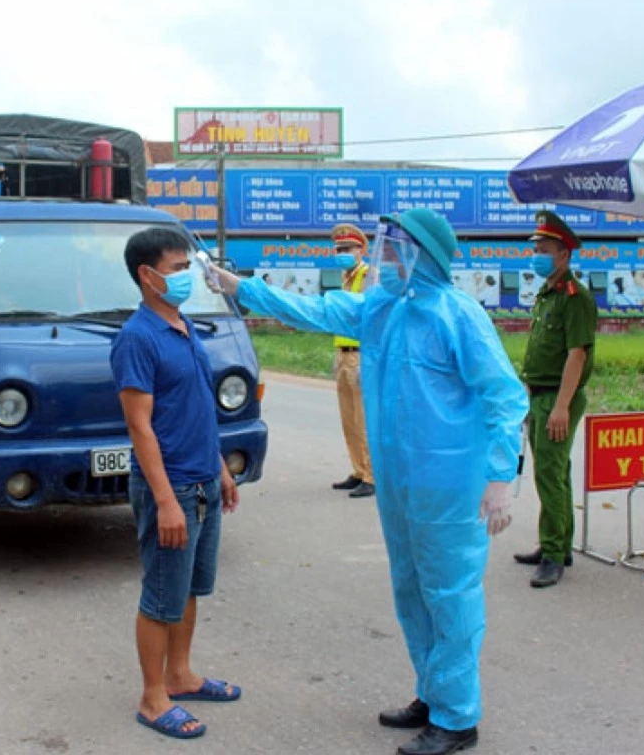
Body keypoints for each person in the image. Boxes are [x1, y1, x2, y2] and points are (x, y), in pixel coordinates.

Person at [207, 209, 527, 755]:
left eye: (395, 250)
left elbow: (505, 396)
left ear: (423, 256)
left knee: (450, 594)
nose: (385, 258)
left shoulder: (459, 315)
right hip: (401, 483)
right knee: (412, 590)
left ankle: (458, 717)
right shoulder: (384, 309)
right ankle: (432, 693)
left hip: (451, 483)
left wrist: (501, 475)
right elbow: (317, 308)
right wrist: (243, 289)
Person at [110, 227, 242, 741]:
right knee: (162, 594)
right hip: (174, 490)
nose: (188, 276)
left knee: (189, 589)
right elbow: (140, 426)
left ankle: (181, 675)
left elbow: (196, 409)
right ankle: (152, 696)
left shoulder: (182, 325)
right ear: (147, 276)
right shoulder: (137, 338)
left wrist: (221, 468)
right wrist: (165, 500)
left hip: (204, 480)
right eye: (177, 268)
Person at [514, 210, 598, 588]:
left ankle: (552, 554)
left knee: (549, 474)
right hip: (540, 395)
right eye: (536, 249)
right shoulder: (548, 293)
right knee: (555, 473)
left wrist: (561, 406)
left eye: (545, 250)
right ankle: (559, 543)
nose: (538, 256)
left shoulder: (574, 298)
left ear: (564, 254)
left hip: (558, 398)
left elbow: (576, 354)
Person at [329, 223, 375, 499]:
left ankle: (371, 475)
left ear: (361, 250)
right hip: (343, 353)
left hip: (361, 355)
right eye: (339, 249)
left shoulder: (370, 276)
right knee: (348, 419)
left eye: (348, 248)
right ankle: (357, 470)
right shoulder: (345, 278)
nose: (343, 253)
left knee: (364, 419)